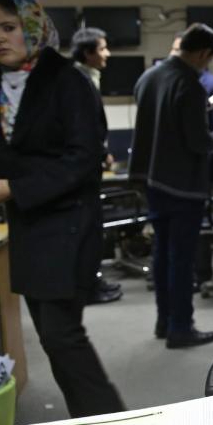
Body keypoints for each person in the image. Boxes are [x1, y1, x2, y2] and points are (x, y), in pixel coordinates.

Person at [0, 0, 124, 417]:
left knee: (61, 335)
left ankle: (106, 422)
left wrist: (14, 185)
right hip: (28, 226)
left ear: (32, 29)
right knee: (55, 337)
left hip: (67, 225)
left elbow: (83, 158)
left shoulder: (67, 79)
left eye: (9, 28)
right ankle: (93, 420)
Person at [129, 23, 213, 348]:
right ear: (203, 53)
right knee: (181, 258)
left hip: (152, 181)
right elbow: (197, 141)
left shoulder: (148, 77)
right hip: (182, 185)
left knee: (162, 254)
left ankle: (164, 321)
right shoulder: (189, 83)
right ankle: (181, 327)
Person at [170, 33, 213, 286]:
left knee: (201, 221)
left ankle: (201, 273)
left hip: (206, 163)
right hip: (179, 165)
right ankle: (190, 274)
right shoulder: (170, 80)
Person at [71, 26, 123, 304]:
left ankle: (93, 282)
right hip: (82, 173)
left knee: (92, 231)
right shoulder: (76, 79)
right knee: (87, 233)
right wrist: (99, 151)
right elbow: (83, 127)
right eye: (102, 48)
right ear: (88, 52)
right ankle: (88, 288)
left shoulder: (87, 76)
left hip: (91, 166)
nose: (107, 53)